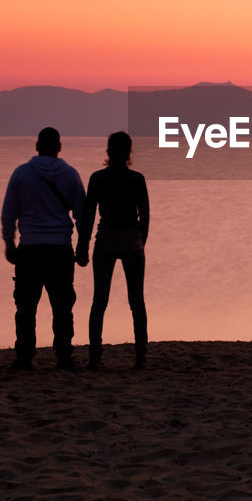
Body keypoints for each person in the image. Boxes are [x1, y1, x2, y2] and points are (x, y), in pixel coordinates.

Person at [1, 126, 87, 371]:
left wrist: (10, 242)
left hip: (30, 248)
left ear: (37, 147)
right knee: (62, 305)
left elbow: (9, 212)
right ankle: (63, 355)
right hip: (60, 248)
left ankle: (25, 356)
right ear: (59, 147)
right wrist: (82, 246)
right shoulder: (70, 175)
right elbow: (81, 213)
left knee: (26, 306)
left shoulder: (21, 174)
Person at [77, 130, 150, 371]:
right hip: (131, 240)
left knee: (100, 301)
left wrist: (82, 245)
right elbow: (145, 215)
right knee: (136, 301)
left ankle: (95, 358)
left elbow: (88, 216)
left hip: (106, 239)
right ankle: (140, 358)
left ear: (108, 152)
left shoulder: (97, 179)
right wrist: (141, 240)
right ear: (129, 153)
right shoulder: (137, 179)